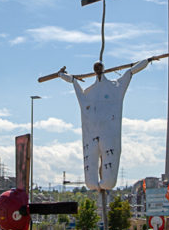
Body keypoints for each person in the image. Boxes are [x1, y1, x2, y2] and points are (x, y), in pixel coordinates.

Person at [59, 59, 149, 190]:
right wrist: (147, 61)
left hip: (97, 135)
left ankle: (99, 184)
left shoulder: (95, 92)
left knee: (98, 172)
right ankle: (100, 184)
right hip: (104, 135)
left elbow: (73, 81)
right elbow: (130, 72)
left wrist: (62, 75)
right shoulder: (112, 88)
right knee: (103, 174)